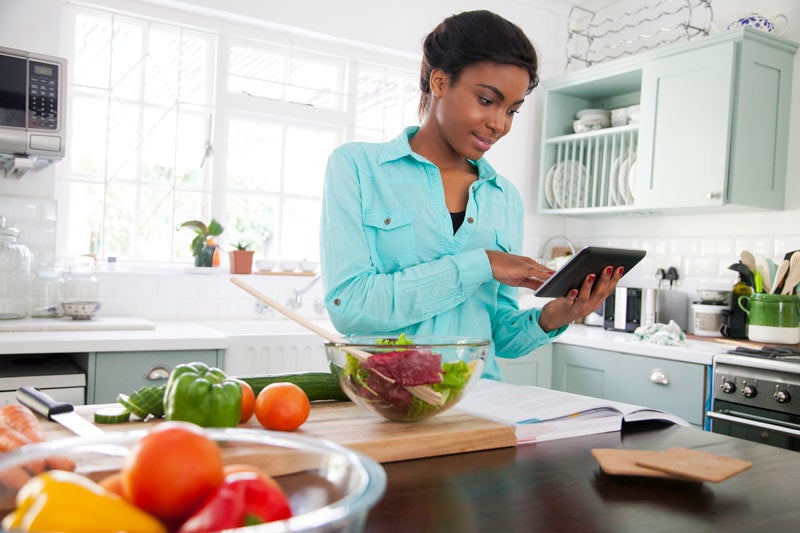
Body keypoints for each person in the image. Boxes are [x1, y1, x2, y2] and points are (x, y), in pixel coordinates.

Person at [320, 10, 622, 380]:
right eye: (486, 100)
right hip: (385, 402)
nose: (500, 124)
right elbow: (350, 306)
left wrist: (555, 315)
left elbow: (500, 337)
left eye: (511, 110)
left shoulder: (503, 198)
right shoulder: (357, 167)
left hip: (481, 403)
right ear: (440, 81)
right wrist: (483, 264)